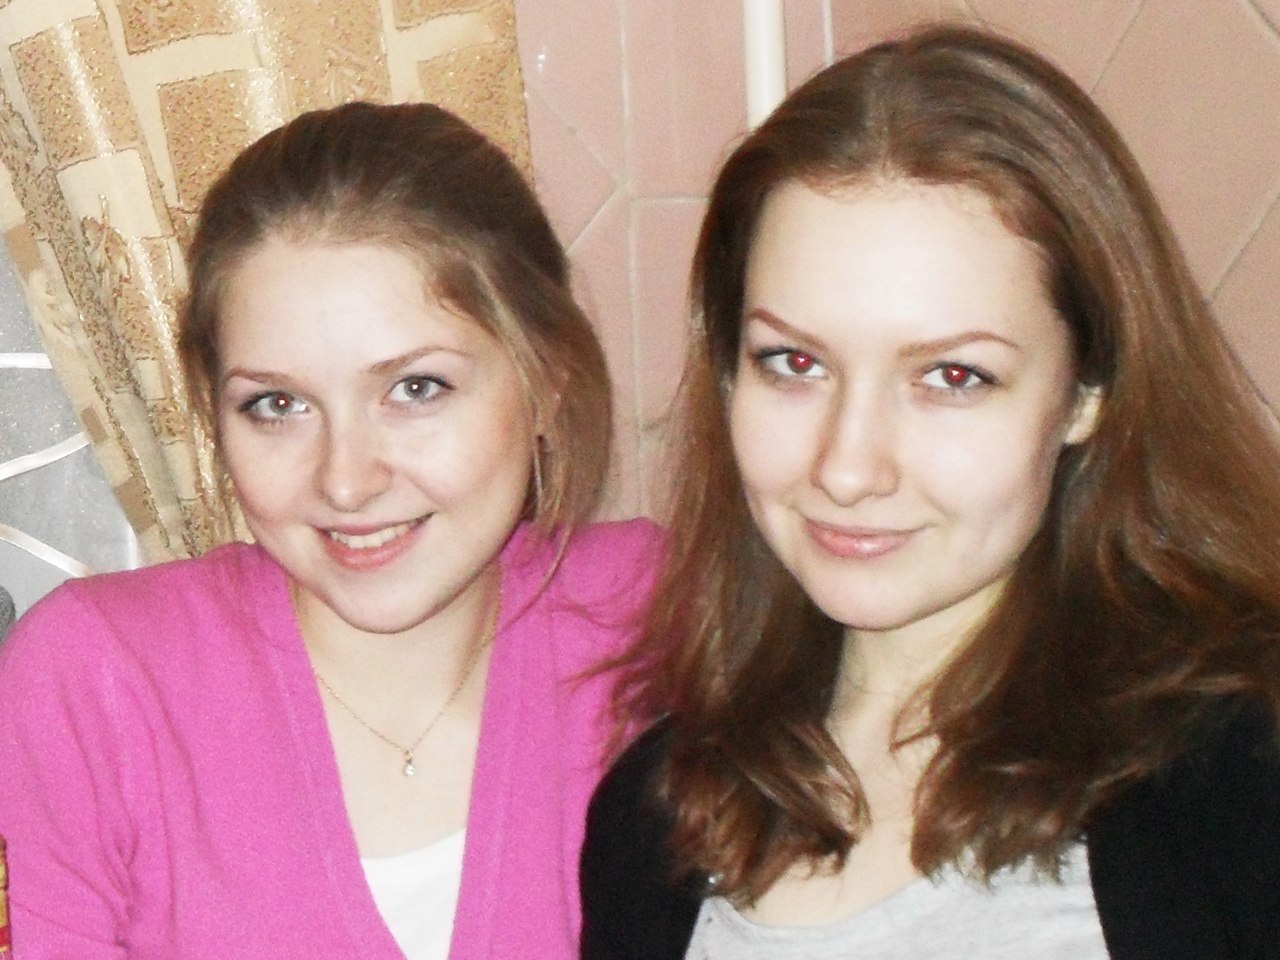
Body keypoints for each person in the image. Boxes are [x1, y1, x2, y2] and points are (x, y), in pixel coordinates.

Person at [580, 23, 1280, 960]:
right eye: (794, 363)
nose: (847, 467)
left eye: (952, 377)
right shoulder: (652, 819)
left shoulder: (1240, 782)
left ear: (1088, 391)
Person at [0, 101, 659, 959]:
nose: (346, 481)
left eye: (416, 388)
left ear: (549, 379)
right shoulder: (95, 682)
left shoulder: (668, 622)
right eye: (278, 405)